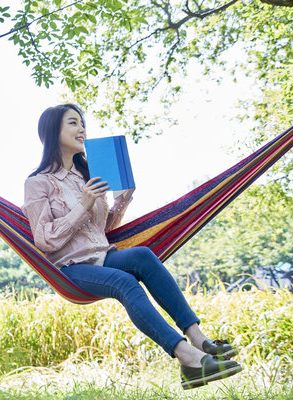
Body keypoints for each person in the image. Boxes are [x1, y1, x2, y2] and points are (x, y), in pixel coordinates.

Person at [22, 104, 243, 390]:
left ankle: (199, 338)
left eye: (82, 123)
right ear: (53, 132)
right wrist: (84, 204)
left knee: (142, 255)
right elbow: (45, 240)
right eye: (73, 123)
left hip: (103, 257)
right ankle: (187, 358)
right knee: (125, 281)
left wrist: (121, 202)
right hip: (71, 270)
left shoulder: (88, 176)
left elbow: (105, 230)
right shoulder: (38, 183)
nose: (82, 129)